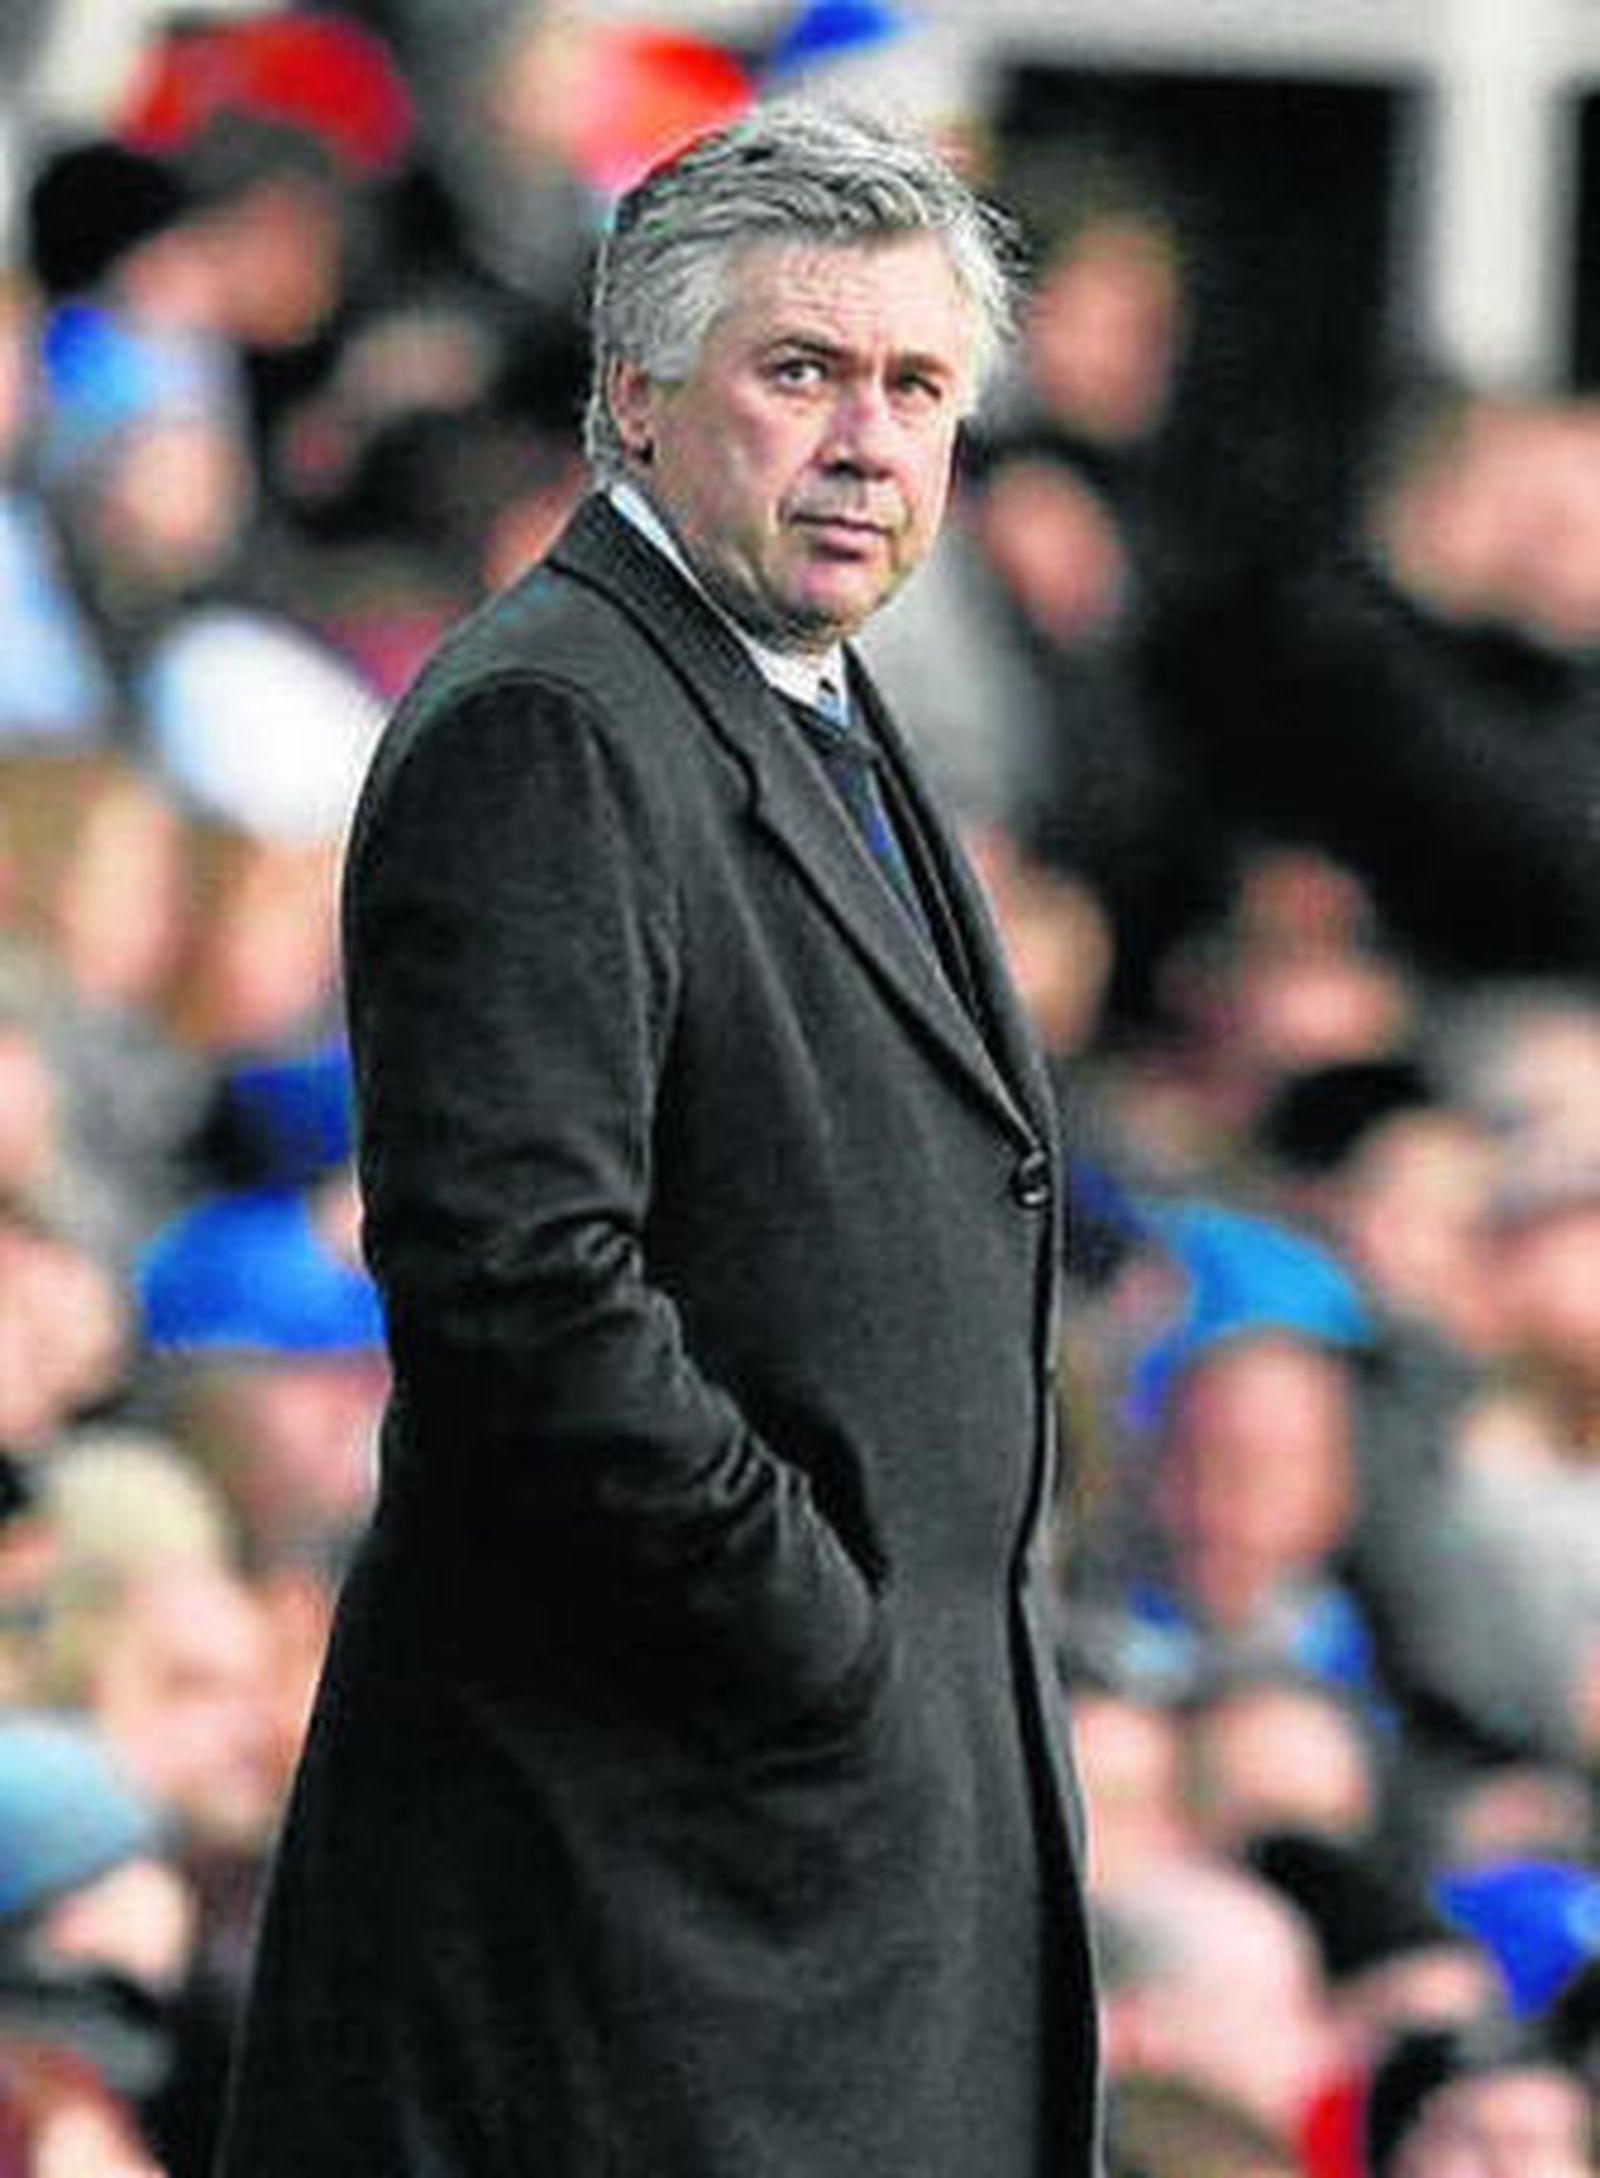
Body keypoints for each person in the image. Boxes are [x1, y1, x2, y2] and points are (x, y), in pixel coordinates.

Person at [216, 100, 1102, 2176]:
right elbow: (518, 1291)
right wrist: (819, 1639)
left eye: (916, 388)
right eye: (801, 371)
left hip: (804, 1889)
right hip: (644, 1897)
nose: (867, 441)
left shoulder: (791, 685)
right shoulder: (554, 718)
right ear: (634, 394)